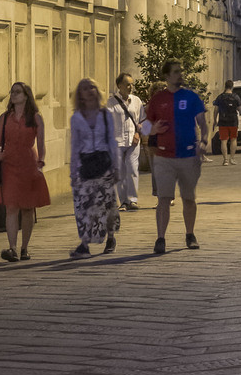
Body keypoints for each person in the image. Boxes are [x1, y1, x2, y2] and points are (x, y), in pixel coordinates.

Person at [143, 59, 207, 254]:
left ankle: (190, 234)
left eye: (181, 71)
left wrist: (204, 141)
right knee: (163, 198)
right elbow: (144, 125)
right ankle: (160, 238)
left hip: (188, 155)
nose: (181, 74)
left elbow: (203, 122)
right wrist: (152, 129)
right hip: (164, 157)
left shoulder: (191, 97)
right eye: (176, 72)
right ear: (167, 76)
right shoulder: (157, 99)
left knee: (189, 198)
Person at [0, 80, 49, 262]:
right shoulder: (4, 118)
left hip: (28, 165)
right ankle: (12, 248)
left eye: (18, 92)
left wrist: (40, 164)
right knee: (11, 207)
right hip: (9, 165)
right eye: (12, 92)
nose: (13, 95)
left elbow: (41, 144)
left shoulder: (36, 118)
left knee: (28, 208)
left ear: (26, 96)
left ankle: (25, 248)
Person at [69, 79, 120, 258]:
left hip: (104, 164)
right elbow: (75, 145)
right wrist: (73, 172)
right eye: (84, 88)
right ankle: (84, 244)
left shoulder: (106, 114)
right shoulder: (76, 118)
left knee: (107, 205)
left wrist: (116, 166)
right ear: (80, 94)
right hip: (86, 165)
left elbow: (112, 141)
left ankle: (111, 238)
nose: (89, 91)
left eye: (91, 87)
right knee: (84, 206)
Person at [110, 73, 143, 212]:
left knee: (132, 167)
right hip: (116, 141)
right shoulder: (110, 102)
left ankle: (132, 200)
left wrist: (138, 133)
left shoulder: (136, 101)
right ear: (119, 86)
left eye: (132, 84)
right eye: (127, 84)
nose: (131, 87)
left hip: (133, 140)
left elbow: (142, 120)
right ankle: (123, 201)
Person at [212, 78, 241, 162]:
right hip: (233, 121)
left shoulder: (220, 97)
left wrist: (215, 120)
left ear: (225, 86)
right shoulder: (236, 97)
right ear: (232, 87)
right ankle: (232, 158)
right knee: (233, 139)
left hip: (222, 121)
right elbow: (240, 109)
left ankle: (225, 160)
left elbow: (216, 110)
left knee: (223, 141)